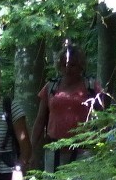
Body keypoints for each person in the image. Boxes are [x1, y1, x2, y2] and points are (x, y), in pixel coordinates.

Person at [31, 43, 109, 173]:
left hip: (83, 151)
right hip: (54, 151)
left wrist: (101, 148)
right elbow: (40, 120)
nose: (67, 69)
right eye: (64, 65)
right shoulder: (50, 88)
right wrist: (32, 150)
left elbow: (103, 119)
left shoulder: (91, 87)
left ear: (80, 66)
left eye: (72, 65)